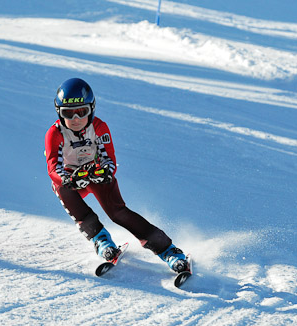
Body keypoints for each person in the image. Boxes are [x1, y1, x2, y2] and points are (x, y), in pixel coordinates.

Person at [44, 77, 189, 273]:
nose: (76, 119)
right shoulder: (54, 133)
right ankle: (101, 239)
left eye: (82, 112)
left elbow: (109, 159)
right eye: (69, 113)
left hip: (95, 174)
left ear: (91, 109)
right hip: (72, 179)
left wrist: (105, 173)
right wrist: (68, 179)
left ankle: (168, 250)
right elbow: (53, 167)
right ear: (59, 114)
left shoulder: (99, 127)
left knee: (118, 213)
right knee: (60, 188)